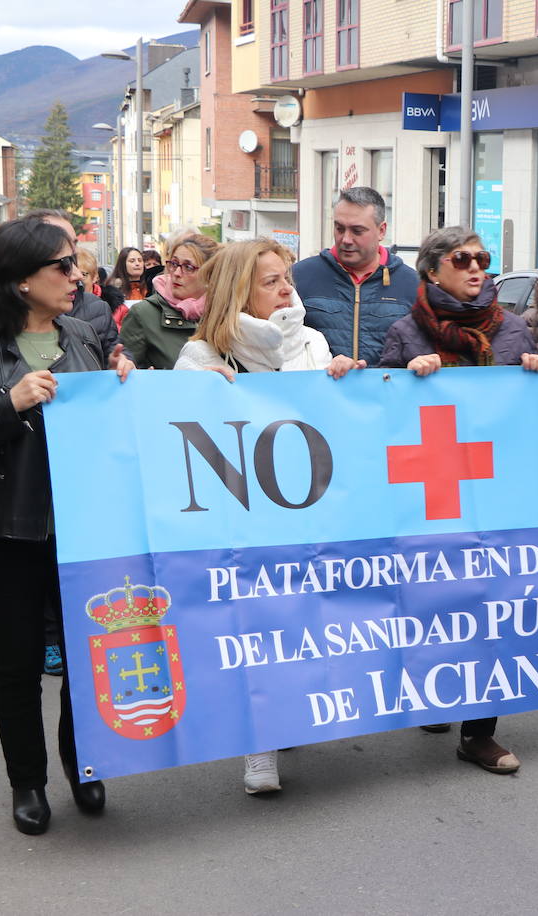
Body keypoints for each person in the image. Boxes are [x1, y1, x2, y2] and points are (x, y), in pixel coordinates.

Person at [0, 217, 135, 835]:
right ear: (21, 281)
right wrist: (7, 403)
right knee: (17, 662)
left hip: (83, 524)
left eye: (76, 266)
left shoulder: (83, 334)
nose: (77, 277)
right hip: (4, 529)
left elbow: (106, 424)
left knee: (86, 655)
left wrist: (121, 383)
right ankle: (28, 781)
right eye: (63, 267)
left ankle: (84, 766)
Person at [174, 238, 361, 794]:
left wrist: (345, 380)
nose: (286, 289)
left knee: (306, 623)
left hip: (311, 510)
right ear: (238, 291)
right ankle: (260, 745)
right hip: (242, 517)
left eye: (288, 279)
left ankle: (292, 716)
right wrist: (195, 395)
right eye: (271, 281)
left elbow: (336, 419)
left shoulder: (313, 342)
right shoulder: (201, 358)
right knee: (258, 627)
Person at [379, 225, 538, 774]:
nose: (477, 267)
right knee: (433, 602)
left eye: (483, 258)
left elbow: (528, 424)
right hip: (428, 497)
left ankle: (479, 733)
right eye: (462, 259)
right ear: (432, 270)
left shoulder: (513, 331)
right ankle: (437, 690)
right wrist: (403, 377)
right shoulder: (407, 332)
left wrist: (536, 376)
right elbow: (373, 415)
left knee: (491, 606)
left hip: (493, 494)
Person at [295, 186, 419, 364]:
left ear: (381, 231)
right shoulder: (299, 277)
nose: (345, 239)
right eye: (339, 228)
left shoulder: (411, 284)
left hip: (386, 390)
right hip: (320, 390)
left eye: (357, 231)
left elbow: (421, 348)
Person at [120, 232, 219, 369]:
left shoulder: (224, 314)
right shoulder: (143, 313)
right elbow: (124, 372)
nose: (177, 273)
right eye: (174, 263)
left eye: (188, 267)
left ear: (210, 275)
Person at [108, 246, 147, 313]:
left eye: (140, 260)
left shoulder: (151, 287)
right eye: (132, 261)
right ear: (123, 264)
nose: (137, 264)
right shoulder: (112, 291)